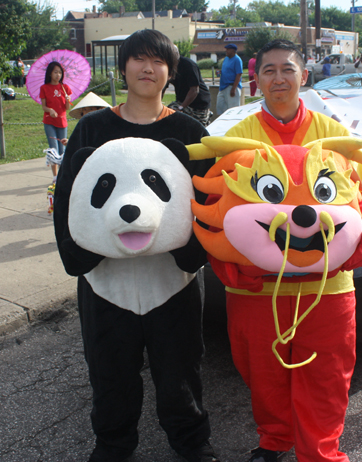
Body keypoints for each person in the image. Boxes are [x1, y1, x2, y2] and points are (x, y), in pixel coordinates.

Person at [53, 29, 219, 462]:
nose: (149, 69)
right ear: (123, 67)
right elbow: (69, 198)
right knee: (109, 371)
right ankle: (112, 444)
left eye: (159, 62)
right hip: (106, 282)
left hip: (173, 279)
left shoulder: (187, 130)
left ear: (171, 71)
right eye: (139, 60)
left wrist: (193, 254)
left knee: (181, 369)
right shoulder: (93, 127)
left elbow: (208, 200)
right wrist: (76, 253)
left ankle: (191, 441)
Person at [223, 39, 362, 462]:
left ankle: (321, 452)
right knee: (263, 375)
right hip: (256, 291)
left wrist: (356, 247)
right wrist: (230, 267)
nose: (279, 79)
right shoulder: (237, 138)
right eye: (269, 71)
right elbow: (217, 212)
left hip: (328, 290)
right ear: (255, 79)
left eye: (287, 69)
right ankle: (274, 440)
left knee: (327, 378)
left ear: (304, 76)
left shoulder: (335, 135)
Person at [40, 61, 72, 184]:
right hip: (49, 122)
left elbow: (67, 108)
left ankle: (62, 175)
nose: (58, 75)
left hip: (62, 122)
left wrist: (68, 100)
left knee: (62, 150)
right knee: (53, 149)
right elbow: (43, 106)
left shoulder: (65, 88)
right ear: (50, 73)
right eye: (55, 72)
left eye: (60, 72)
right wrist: (50, 110)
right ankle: (55, 176)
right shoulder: (44, 88)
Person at [167, 49, 212, 126]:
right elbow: (163, 86)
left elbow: (194, 90)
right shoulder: (169, 66)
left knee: (198, 129)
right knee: (168, 114)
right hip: (181, 100)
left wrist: (181, 108)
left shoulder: (189, 65)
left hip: (199, 104)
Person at [216, 43, 243, 116]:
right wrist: (220, 72)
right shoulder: (226, 59)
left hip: (231, 87)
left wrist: (234, 88)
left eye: (228, 49)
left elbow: (239, 74)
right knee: (220, 108)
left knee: (232, 111)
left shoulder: (237, 59)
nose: (226, 51)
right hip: (223, 87)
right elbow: (227, 70)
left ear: (233, 51)